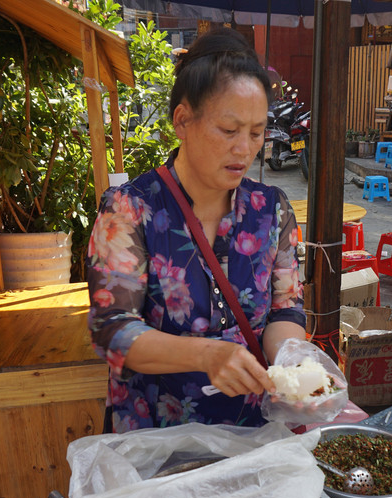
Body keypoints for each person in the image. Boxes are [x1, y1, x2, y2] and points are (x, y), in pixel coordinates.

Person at [87, 28, 307, 433]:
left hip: (252, 433)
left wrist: (293, 364)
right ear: (183, 120)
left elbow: (285, 308)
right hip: (156, 438)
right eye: (229, 130)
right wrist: (207, 355)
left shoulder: (271, 210)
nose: (245, 148)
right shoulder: (131, 210)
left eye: (257, 132)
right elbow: (112, 327)